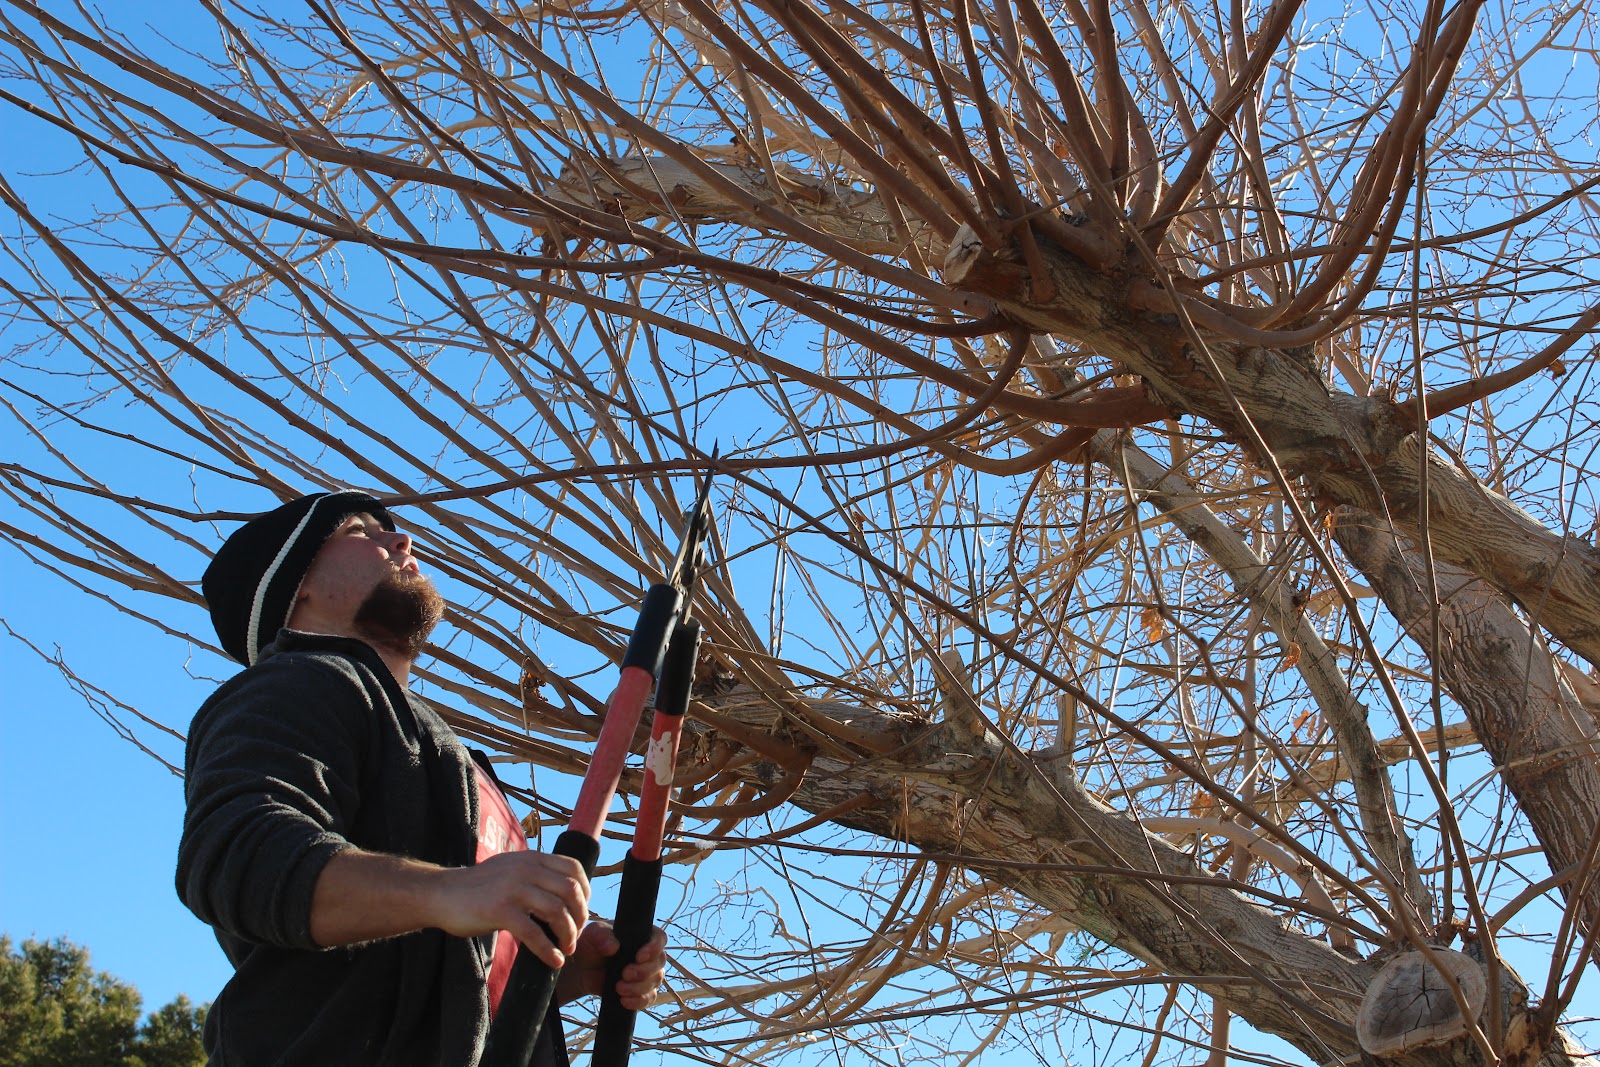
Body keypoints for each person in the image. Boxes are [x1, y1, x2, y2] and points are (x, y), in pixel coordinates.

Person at [178, 490, 666, 1065]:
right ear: (294, 584)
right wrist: (448, 890)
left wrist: (555, 967)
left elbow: (446, 980)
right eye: (359, 532)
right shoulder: (298, 683)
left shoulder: (449, 758)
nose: (401, 541)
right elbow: (238, 855)